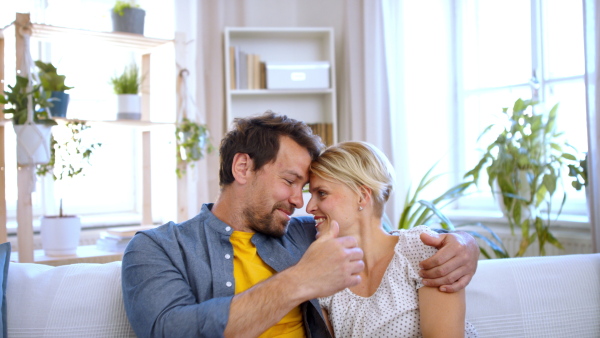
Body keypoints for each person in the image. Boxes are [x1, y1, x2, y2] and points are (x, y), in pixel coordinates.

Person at [121, 111, 480, 337]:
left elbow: (376, 231)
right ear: (243, 168)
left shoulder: (308, 233)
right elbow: (167, 330)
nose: (301, 202)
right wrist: (298, 281)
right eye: (291, 181)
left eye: (309, 189)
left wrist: (464, 243)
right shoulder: (159, 248)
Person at [307, 141, 478, 337]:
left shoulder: (420, 250)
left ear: (362, 196)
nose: (309, 207)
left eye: (322, 193)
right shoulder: (327, 279)